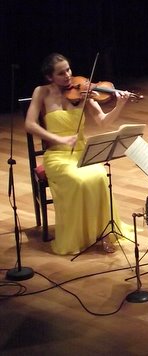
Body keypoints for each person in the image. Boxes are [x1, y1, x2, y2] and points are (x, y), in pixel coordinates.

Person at [24, 53, 132, 255]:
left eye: (68, 70)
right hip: (57, 156)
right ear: (49, 77)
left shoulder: (83, 92)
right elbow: (29, 124)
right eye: (61, 73)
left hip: (82, 152)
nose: (68, 75)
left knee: (99, 177)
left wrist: (120, 105)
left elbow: (103, 121)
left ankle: (103, 234)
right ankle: (79, 235)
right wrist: (58, 139)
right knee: (77, 180)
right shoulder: (42, 92)